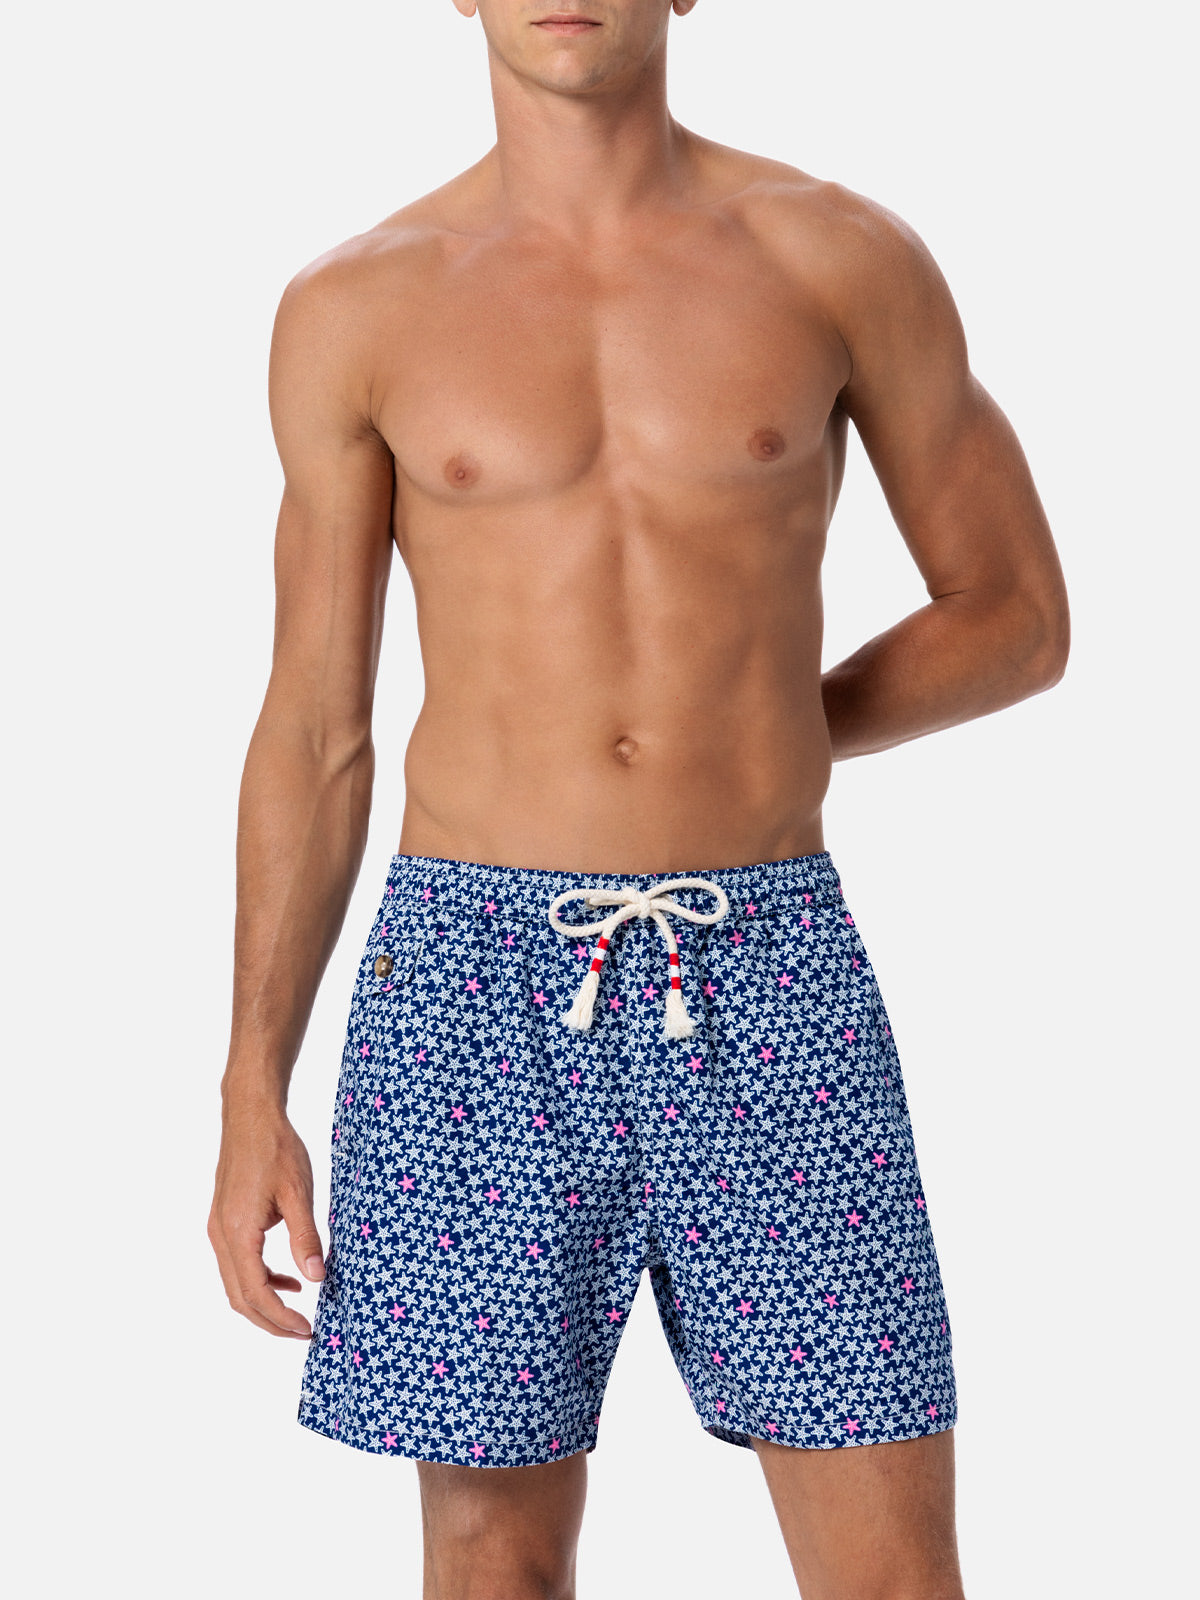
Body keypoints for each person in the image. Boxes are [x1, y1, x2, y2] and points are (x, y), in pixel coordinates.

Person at [207, 2, 1069, 1595]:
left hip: (770, 964)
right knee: (495, 1569)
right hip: (468, 985)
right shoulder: (358, 305)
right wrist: (251, 1085)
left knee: (891, 1571)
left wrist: (765, 731)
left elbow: (1015, 615)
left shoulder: (838, 257)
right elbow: (316, 730)